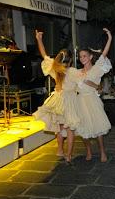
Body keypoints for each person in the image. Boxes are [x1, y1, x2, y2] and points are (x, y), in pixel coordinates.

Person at [33, 30, 81, 164]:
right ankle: (69, 155)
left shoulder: (55, 68)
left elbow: (44, 56)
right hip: (70, 101)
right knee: (70, 129)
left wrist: (39, 39)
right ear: (71, 60)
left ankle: (60, 149)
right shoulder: (73, 72)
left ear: (59, 59)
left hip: (58, 100)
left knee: (59, 128)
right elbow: (81, 85)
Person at [76, 28, 113, 162]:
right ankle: (89, 151)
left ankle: (102, 152)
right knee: (83, 129)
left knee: (98, 128)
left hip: (92, 100)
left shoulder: (97, 68)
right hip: (80, 102)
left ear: (91, 57)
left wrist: (109, 38)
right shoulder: (78, 72)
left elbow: (104, 54)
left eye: (85, 56)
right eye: (80, 56)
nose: (82, 58)